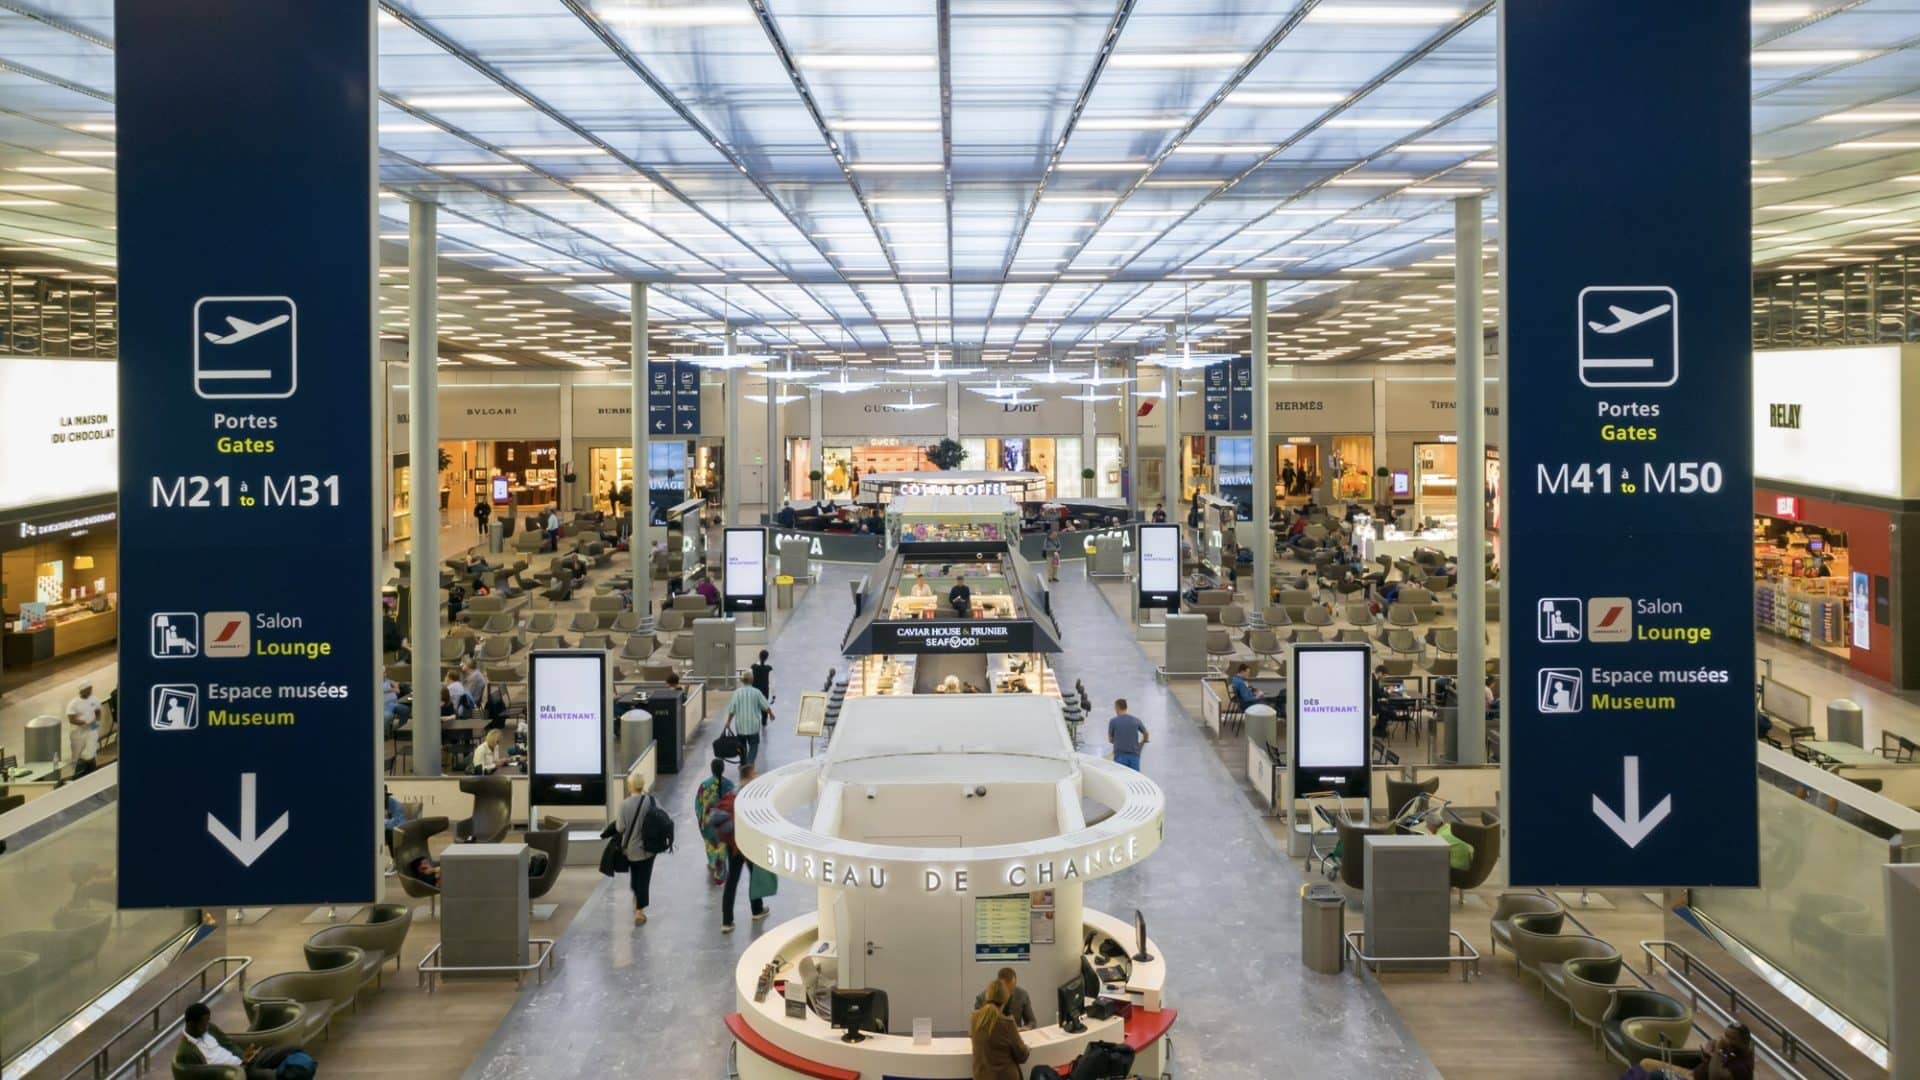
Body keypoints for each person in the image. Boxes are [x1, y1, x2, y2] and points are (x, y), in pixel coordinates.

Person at [717, 763, 767, 931]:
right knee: (754, 875)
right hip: (747, 843)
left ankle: (726, 921)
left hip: (732, 845)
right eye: (755, 773)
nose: (757, 775)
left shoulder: (732, 792)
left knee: (732, 880)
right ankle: (757, 909)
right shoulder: (750, 796)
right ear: (750, 775)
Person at [178, 1002, 273, 1079]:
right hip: (234, 1073)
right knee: (271, 1075)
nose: (207, 1026)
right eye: (204, 1024)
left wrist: (243, 1056)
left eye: (208, 1022)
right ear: (191, 1024)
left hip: (242, 1062)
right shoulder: (186, 1052)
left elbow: (229, 1045)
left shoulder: (209, 1028)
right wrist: (237, 1069)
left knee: (281, 1053)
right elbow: (204, 1075)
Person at [616, 775, 661, 925]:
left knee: (635, 875)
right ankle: (639, 912)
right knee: (644, 878)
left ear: (630, 786)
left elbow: (620, 827)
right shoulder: (651, 801)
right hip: (649, 848)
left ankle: (636, 897)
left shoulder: (624, 804)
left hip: (631, 849)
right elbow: (662, 818)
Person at [1641, 1022, 1754, 1080]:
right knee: (1645, 1064)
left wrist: (1717, 1051)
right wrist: (1708, 1050)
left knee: (1654, 1076)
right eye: (1725, 1035)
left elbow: (1715, 1077)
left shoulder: (1742, 1066)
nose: (1725, 1039)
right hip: (1692, 1074)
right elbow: (1712, 1044)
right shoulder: (1730, 1049)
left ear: (1743, 1042)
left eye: (1731, 1038)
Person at [968, 980, 1029, 1080]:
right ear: (1006, 999)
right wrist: (1027, 1048)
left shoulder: (974, 1018)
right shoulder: (1008, 1023)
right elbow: (1022, 1056)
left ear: (987, 996)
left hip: (981, 1076)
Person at [694, 758, 735, 886]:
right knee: (722, 846)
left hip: (708, 823)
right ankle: (721, 869)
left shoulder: (704, 785)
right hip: (724, 823)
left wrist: (701, 819)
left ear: (711, 769)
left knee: (710, 845)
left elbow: (698, 805)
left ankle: (713, 864)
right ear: (723, 769)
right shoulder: (730, 785)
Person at [724, 672, 772, 767]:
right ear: (752, 680)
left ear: (742, 681)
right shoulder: (756, 692)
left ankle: (744, 764)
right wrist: (771, 714)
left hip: (740, 726)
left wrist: (728, 722)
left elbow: (732, 709)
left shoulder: (737, 693)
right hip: (753, 726)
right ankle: (749, 764)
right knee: (754, 746)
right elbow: (765, 706)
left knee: (742, 747)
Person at [65, 684, 102, 777]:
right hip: (78, 733)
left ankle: (92, 773)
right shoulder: (73, 704)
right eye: (88, 689)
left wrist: (95, 724)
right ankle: (78, 775)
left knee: (90, 753)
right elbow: (71, 719)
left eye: (91, 689)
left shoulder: (95, 699)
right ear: (82, 691)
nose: (90, 691)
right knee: (78, 755)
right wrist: (85, 723)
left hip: (91, 731)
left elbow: (98, 712)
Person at [1108, 698, 1147, 771]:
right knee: (1135, 777)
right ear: (1126, 707)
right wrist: (1141, 745)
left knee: (1121, 778)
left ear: (1117, 707)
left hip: (1120, 756)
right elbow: (1146, 733)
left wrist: (1119, 740)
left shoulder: (1113, 721)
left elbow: (1110, 739)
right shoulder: (1136, 720)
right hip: (1134, 756)